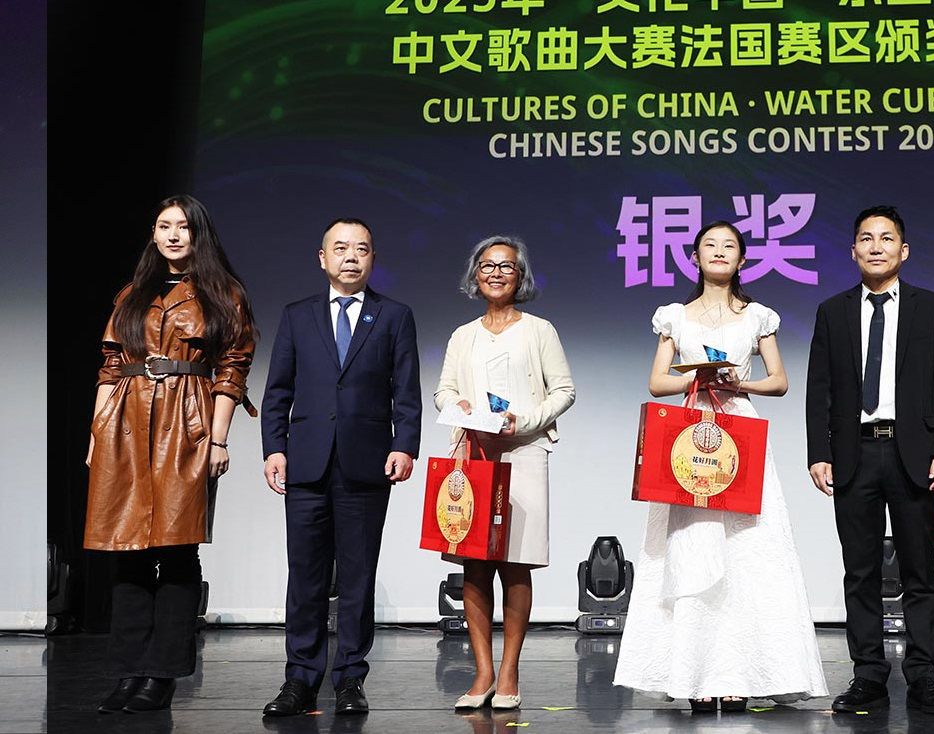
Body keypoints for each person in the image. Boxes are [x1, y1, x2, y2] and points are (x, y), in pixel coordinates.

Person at [614, 221, 827, 712]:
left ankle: (740, 675)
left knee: (746, 548)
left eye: (729, 246)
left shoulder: (757, 316)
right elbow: (656, 382)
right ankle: (694, 675)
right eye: (709, 245)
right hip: (691, 433)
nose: (719, 251)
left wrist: (737, 383)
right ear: (694, 257)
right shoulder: (675, 316)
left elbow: (779, 381)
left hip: (739, 430)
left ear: (743, 260)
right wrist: (698, 379)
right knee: (692, 546)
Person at [86, 194, 256, 713]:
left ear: (198, 233)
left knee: (177, 549)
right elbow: (110, 366)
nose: (174, 235)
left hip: (187, 421)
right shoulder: (131, 293)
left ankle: (161, 675)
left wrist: (218, 438)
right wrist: (95, 433)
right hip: (124, 421)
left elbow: (232, 368)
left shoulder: (223, 293)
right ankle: (128, 671)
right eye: (164, 226)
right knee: (127, 550)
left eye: (183, 226)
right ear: (154, 234)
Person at [260, 217, 422, 717]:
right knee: (305, 576)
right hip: (306, 462)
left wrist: (405, 445)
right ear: (322, 257)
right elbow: (278, 389)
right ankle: (300, 679)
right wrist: (274, 448)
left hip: (367, 463)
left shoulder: (393, 316)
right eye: (341, 248)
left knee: (357, 576)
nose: (351, 257)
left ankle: (350, 677)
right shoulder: (297, 315)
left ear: (373, 258)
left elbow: (406, 391)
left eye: (362, 249)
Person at [806, 205, 934, 716]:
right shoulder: (832, 311)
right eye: (867, 238)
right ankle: (868, 675)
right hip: (854, 452)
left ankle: (924, 676)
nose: (876, 246)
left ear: (904, 250)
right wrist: (819, 452)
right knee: (860, 571)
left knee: (920, 569)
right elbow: (819, 389)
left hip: (912, 454)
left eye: (887, 238)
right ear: (853, 250)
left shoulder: (931, 307)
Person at [434, 235, 576, 711]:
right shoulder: (463, 335)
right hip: (473, 451)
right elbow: (443, 391)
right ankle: (483, 673)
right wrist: (459, 406)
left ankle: (510, 670)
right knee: (474, 563)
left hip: (524, 450)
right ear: (475, 275)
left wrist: (525, 421)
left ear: (521, 277)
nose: (496, 273)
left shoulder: (539, 330)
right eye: (487, 265)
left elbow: (564, 391)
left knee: (517, 563)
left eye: (506, 266)